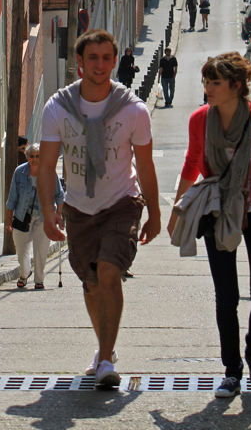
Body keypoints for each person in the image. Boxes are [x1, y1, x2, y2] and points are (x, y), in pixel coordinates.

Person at [168, 52, 251, 399]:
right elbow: (192, 163)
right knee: (226, 298)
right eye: (206, 82)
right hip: (218, 211)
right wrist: (176, 212)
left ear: (236, 86)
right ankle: (231, 371)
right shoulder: (200, 120)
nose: (208, 88)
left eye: (215, 82)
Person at [38, 29, 161, 389]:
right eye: (93, 58)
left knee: (108, 271)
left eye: (107, 58)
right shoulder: (58, 108)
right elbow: (45, 167)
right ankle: (104, 349)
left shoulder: (133, 110)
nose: (101, 65)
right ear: (79, 64)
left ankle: (106, 359)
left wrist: (154, 213)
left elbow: (147, 166)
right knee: (91, 284)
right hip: (78, 207)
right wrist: (49, 212)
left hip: (121, 202)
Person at [6, 144, 64, 289]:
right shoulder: (19, 172)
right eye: (32, 156)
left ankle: (39, 280)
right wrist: (8, 219)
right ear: (27, 157)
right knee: (22, 251)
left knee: (41, 249)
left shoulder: (49, 172)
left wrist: (58, 214)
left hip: (43, 218)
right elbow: (12, 197)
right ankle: (25, 274)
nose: (35, 159)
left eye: (38, 156)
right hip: (21, 217)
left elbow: (59, 195)